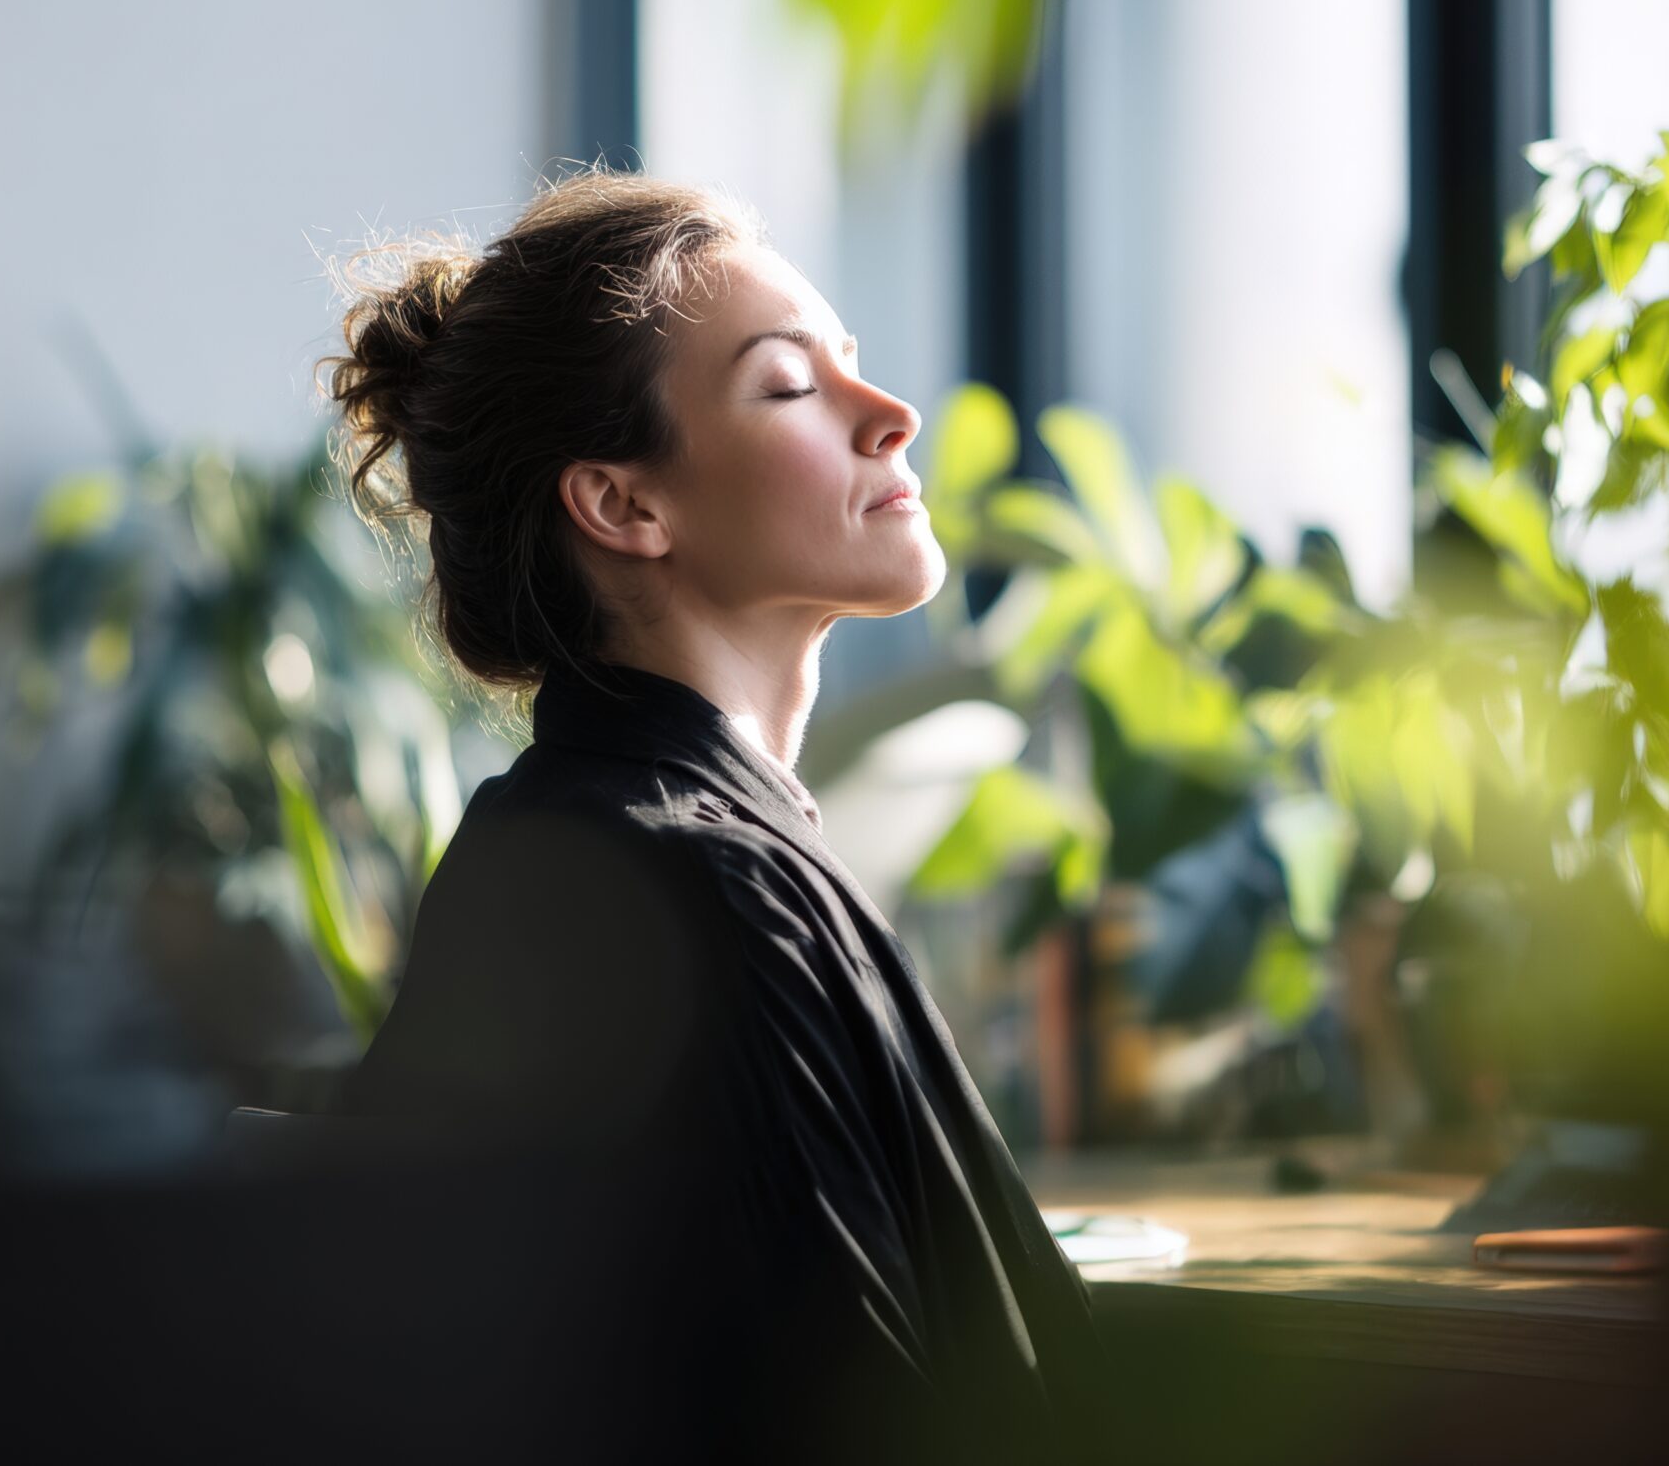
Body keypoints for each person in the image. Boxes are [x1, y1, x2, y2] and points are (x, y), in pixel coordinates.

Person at [316, 168, 1109, 1462]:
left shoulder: (592, 841)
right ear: (624, 505)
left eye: (850, 364)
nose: (893, 414)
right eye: (793, 386)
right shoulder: (704, 892)